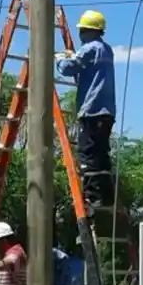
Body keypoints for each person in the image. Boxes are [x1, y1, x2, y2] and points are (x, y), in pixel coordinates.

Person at [56, 10, 117, 209]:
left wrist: (60, 60)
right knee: (101, 154)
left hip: (92, 110)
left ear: (89, 31)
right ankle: (106, 195)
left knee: (88, 154)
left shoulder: (89, 49)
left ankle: (92, 198)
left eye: (82, 30)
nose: (80, 34)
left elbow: (69, 68)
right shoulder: (106, 49)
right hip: (107, 111)